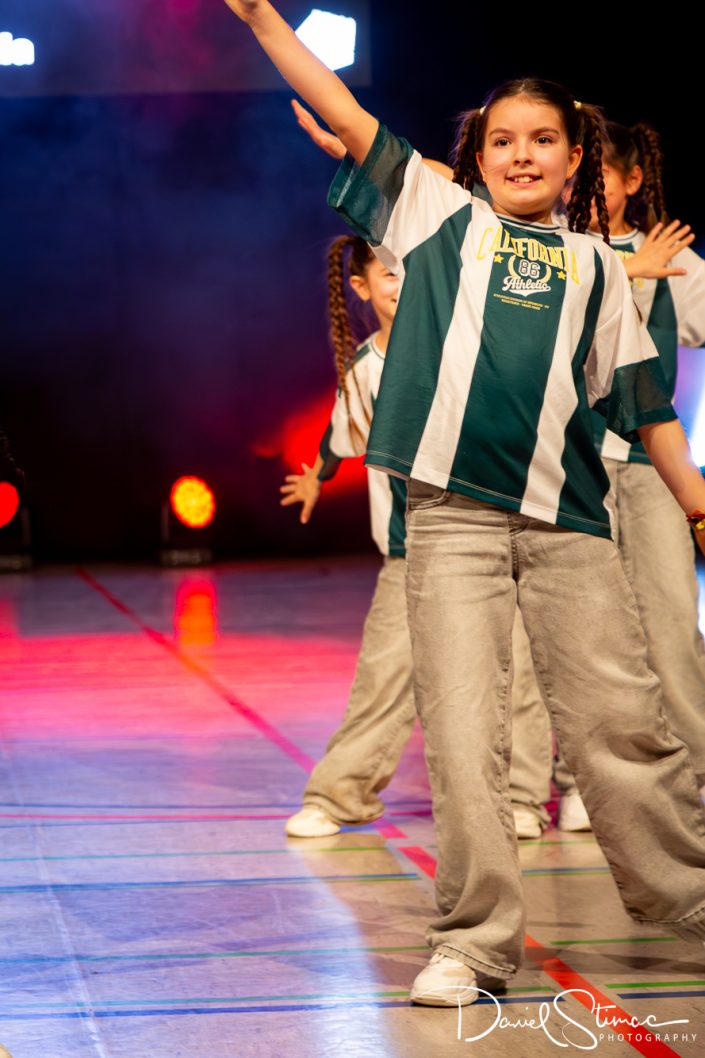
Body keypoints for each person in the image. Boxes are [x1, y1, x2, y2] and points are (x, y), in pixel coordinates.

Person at [223, 0, 705, 1007]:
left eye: (542, 140)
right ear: (476, 158)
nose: (522, 154)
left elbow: (643, 403)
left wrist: (695, 496)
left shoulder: (597, 267)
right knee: (462, 734)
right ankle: (475, 942)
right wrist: (264, 20)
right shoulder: (436, 217)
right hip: (449, 526)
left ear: (574, 159)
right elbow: (344, 111)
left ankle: (690, 897)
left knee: (623, 722)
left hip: (569, 526)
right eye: (502, 140)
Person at [510, 123, 705, 834]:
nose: (586, 191)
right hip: (571, 466)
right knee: (576, 633)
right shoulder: (549, 251)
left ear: (630, 182)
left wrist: (648, 268)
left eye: (601, 178)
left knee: (669, 628)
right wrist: (626, 270)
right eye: (577, 178)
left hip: (649, 469)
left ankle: (692, 779)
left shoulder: (673, 257)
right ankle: (572, 784)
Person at [281, 234, 418, 838]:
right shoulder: (364, 370)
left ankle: (525, 798)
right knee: (383, 677)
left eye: (409, 269)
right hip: (410, 554)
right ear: (361, 288)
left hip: (489, 539)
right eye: (387, 273)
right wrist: (316, 478)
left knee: (518, 677)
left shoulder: (462, 344)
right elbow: (340, 439)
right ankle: (339, 795)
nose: (401, 283)